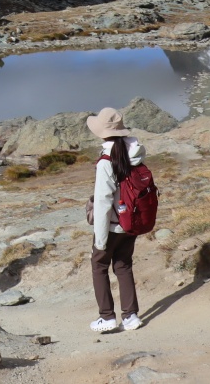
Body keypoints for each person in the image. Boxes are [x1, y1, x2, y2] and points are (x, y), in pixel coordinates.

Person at [86, 107, 144, 333]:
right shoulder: (136, 153)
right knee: (123, 265)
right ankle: (131, 316)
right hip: (131, 223)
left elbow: (102, 201)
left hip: (111, 225)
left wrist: (100, 239)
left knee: (99, 265)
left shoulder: (106, 161)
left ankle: (107, 317)